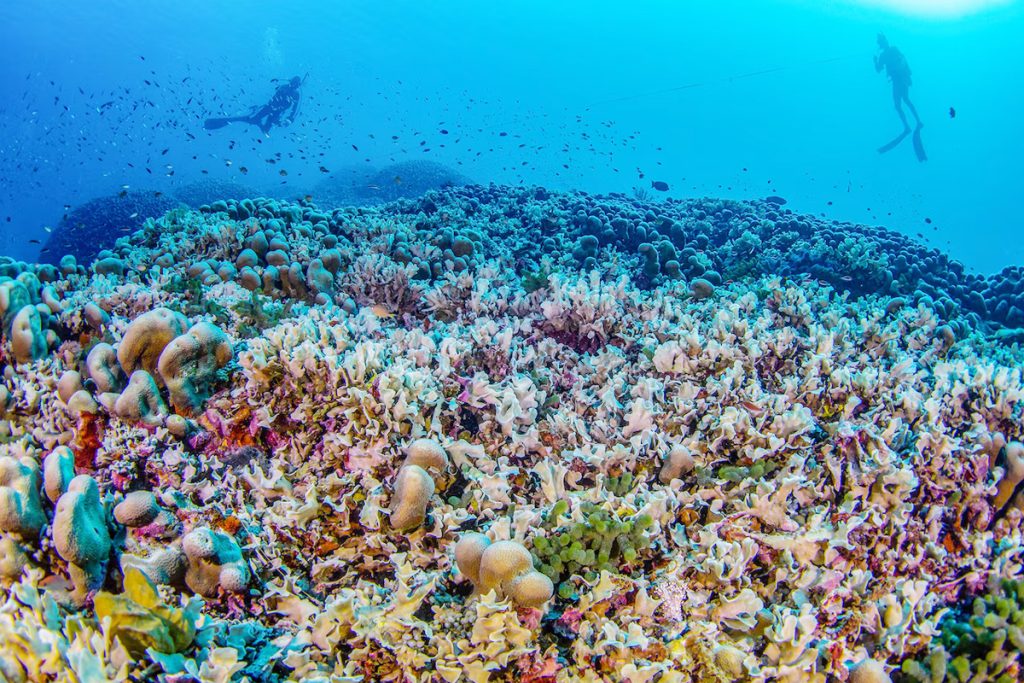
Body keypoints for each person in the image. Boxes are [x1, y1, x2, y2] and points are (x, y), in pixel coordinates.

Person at [874, 35, 926, 161]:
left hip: (900, 79)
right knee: (901, 103)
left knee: (904, 101)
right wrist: (875, 60)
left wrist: (875, 61)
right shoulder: (889, 52)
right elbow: (882, 68)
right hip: (900, 79)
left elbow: (879, 69)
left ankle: (914, 123)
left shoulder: (888, 53)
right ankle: (911, 124)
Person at [204, 75, 304, 133]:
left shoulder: (295, 94)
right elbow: (274, 100)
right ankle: (249, 119)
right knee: (253, 121)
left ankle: (255, 120)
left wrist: (290, 119)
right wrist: (288, 117)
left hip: (276, 112)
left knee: (265, 130)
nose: (293, 85)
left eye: (295, 84)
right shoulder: (283, 87)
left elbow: (295, 109)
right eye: (293, 82)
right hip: (269, 108)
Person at [874, 34, 920, 133]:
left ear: (880, 44)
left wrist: (875, 61)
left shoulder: (882, 56)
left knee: (898, 105)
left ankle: (907, 127)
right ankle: (918, 121)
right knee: (906, 100)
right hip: (904, 78)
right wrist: (909, 76)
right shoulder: (894, 49)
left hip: (896, 81)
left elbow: (878, 69)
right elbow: (904, 61)